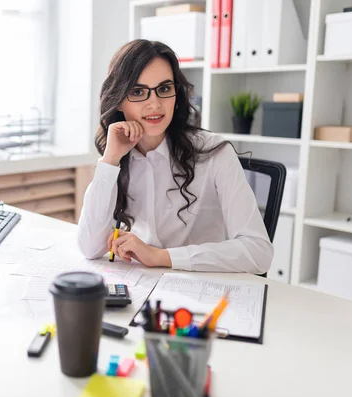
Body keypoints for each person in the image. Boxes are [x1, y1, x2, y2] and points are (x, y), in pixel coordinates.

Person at [77, 39, 273, 274]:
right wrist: (110, 161)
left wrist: (161, 257)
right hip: (145, 284)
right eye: (138, 92)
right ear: (118, 100)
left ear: (176, 94)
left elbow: (258, 252)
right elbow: (90, 248)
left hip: (204, 289)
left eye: (164, 89)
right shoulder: (120, 154)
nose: (154, 104)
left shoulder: (215, 152)